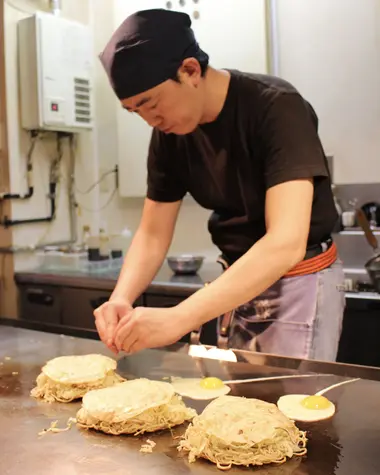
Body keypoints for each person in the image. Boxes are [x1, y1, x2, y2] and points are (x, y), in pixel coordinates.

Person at [94, 8, 345, 361]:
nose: (150, 120)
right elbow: (152, 233)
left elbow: (285, 243)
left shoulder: (275, 107)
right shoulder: (169, 132)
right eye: (135, 111)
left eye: (150, 103)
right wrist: (121, 297)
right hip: (236, 283)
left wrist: (180, 317)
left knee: (288, 410)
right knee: (242, 410)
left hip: (298, 281)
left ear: (190, 70)